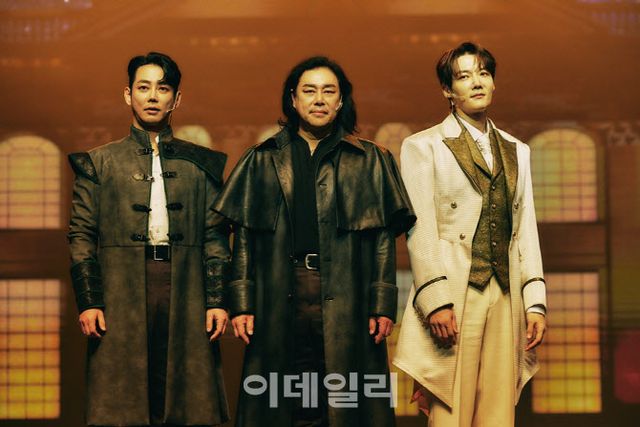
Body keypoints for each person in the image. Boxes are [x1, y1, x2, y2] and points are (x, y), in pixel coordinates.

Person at [213, 56, 415, 427]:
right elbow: (243, 237)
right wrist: (241, 302)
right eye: (309, 91)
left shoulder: (371, 160)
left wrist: (382, 302)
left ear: (341, 101)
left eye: (328, 91)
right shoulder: (261, 159)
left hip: (349, 298)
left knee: (347, 403)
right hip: (279, 297)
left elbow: (383, 238)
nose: (319, 99)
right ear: (293, 99)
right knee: (283, 402)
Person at [68, 52, 230, 426]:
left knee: (184, 398)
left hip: (186, 285)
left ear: (177, 98)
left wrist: (217, 301)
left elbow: (215, 236)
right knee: (123, 400)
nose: (153, 96)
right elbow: (81, 235)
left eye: (163, 88)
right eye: (144, 87)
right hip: (119, 287)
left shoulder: (201, 164)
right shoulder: (99, 163)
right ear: (128, 94)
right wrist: (89, 301)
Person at [393, 42, 547, 427]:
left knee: (499, 409)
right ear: (448, 90)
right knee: (451, 408)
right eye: (464, 76)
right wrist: (436, 300)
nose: (476, 83)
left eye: (483, 73)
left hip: (506, 291)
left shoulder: (518, 150)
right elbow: (420, 228)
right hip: (455, 288)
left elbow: (524, 229)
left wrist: (535, 302)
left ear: (493, 82)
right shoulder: (422, 146)